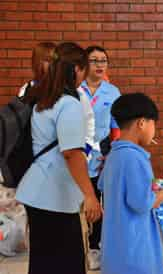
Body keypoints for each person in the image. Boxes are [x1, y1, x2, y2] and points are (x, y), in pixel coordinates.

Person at [15, 42, 102, 274]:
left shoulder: (43, 100)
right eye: (84, 69)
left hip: (37, 192)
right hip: (56, 198)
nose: (85, 76)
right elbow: (72, 153)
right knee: (67, 263)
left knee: (43, 263)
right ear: (75, 69)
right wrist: (90, 195)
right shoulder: (69, 104)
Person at [98, 93, 163, 274]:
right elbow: (142, 203)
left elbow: (112, 186)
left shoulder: (113, 155)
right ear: (141, 123)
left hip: (115, 252)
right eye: (153, 124)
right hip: (136, 253)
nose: (154, 130)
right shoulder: (135, 157)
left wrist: (154, 185)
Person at [19, 42, 98, 159]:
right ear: (37, 63)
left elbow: (88, 123)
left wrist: (85, 151)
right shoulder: (28, 90)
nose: (50, 64)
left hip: (63, 161)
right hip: (37, 159)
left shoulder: (78, 94)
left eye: (53, 60)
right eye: (46, 60)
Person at [80, 45, 121, 269]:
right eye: (94, 60)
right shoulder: (76, 90)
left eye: (103, 61)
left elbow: (117, 126)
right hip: (77, 154)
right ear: (85, 64)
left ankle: (96, 247)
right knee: (79, 203)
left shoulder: (112, 92)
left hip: (102, 155)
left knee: (99, 202)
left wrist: (113, 151)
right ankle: (79, 245)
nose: (99, 65)